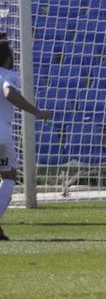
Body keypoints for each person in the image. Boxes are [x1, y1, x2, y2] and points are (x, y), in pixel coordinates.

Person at [0, 34, 53, 242]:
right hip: (1, 134)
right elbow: (8, 93)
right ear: (7, 58)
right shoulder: (8, 74)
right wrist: (36, 112)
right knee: (9, 177)